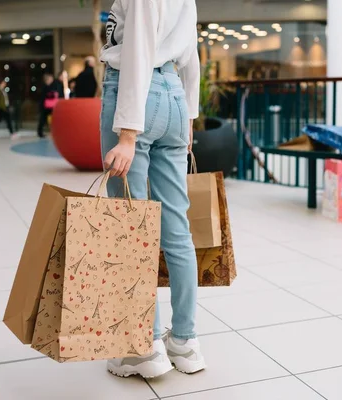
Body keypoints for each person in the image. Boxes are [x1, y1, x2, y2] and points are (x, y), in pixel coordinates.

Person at [99, 0, 203, 379]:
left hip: (137, 95)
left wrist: (127, 134)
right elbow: (191, 53)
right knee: (177, 230)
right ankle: (186, 342)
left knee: (131, 232)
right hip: (174, 97)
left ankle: (143, 348)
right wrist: (188, 119)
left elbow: (139, 49)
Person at [37, 74, 61, 138]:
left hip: (49, 106)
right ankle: (40, 132)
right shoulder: (45, 87)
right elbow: (46, 96)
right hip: (45, 106)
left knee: (50, 119)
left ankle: (52, 131)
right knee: (43, 119)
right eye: (50, 78)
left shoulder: (51, 86)